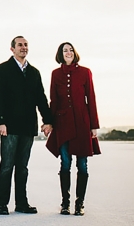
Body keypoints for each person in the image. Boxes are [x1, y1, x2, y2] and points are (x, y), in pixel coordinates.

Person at [0, 36, 53, 215]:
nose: (23, 48)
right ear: (12, 49)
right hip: (9, 127)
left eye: (26, 45)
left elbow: (41, 98)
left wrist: (47, 120)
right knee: (7, 166)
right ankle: (2, 203)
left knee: (23, 168)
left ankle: (21, 203)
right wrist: (0, 121)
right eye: (20, 45)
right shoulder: (2, 70)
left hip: (27, 127)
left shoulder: (33, 72)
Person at [45, 42, 100, 216]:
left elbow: (91, 98)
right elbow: (53, 100)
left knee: (82, 165)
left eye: (70, 50)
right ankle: (65, 204)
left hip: (83, 124)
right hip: (63, 124)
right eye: (64, 51)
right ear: (60, 55)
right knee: (65, 164)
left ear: (74, 53)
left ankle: (80, 204)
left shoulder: (85, 72)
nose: (68, 52)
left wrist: (94, 125)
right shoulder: (55, 74)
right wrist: (49, 122)